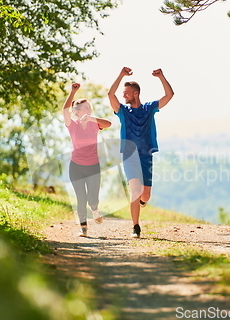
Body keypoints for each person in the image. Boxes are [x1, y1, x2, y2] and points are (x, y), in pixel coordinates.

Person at [108, 67, 174, 238]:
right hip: (129, 156)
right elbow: (110, 95)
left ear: (136, 94)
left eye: (127, 93)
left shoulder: (149, 108)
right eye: (124, 93)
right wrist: (121, 74)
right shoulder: (123, 112)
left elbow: (169, 95)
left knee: (145, 194)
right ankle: (135, 227)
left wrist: (161, 76)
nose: (124, 96)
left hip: (146, 155)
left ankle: (142, 201)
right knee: (135, 191)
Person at [62, 83, 111, 237]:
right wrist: (73, 92)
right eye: (86, 108)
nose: (89, 110)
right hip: (76, 166)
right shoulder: (72, 125)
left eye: (90, 108)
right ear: (76, 112)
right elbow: (64, 110)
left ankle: (95, 209)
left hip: (93, 166)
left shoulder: (94, 124)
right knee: (81, 198)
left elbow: (108, 124)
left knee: (93, 199)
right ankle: (83, 228)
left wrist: (92, 118)